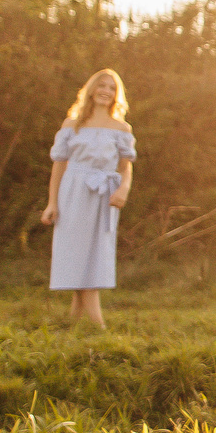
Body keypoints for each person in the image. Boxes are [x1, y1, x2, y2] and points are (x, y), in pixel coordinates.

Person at [41, 68, 136, 326]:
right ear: (92, 90)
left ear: (117, 95)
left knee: (97, 251)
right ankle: (93, 323)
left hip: (104, 192)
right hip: (73, 190)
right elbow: (59, 165)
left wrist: (123, 189)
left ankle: (84, 321)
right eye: (102, 86)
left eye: (112, 88)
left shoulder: (121, 128)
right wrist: (52, 202)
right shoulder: (72, 125)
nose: (106, 91)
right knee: (74, 250)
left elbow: (126, 166)